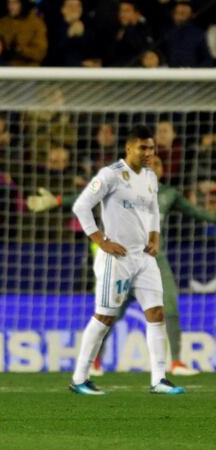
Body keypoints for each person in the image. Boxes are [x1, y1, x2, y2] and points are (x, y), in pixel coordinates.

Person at [26, 153, 208, 376]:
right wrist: (57, 201)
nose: (154, 167)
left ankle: (177, 362)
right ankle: (94, 362)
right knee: (110, 314)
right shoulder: (121, 185)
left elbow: (198, 213)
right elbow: (85, 198)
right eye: (150, 163)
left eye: (158, 164)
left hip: (154, 262)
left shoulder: (169, 194)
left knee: (169, 307)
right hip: (123, 260)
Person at [68, 125, 184, 396]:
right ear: (129, 148)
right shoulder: (111, 175)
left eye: (151, 148)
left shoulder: (150, 177)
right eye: (143, 147)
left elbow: (153, 211)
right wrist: (100, 240)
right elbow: (82, 206)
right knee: (105, 316)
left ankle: (159, 378)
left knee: (156, 313)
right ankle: (80, 377)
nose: (148, 153)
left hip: (144, 257)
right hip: (115, 258)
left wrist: (154, 238)